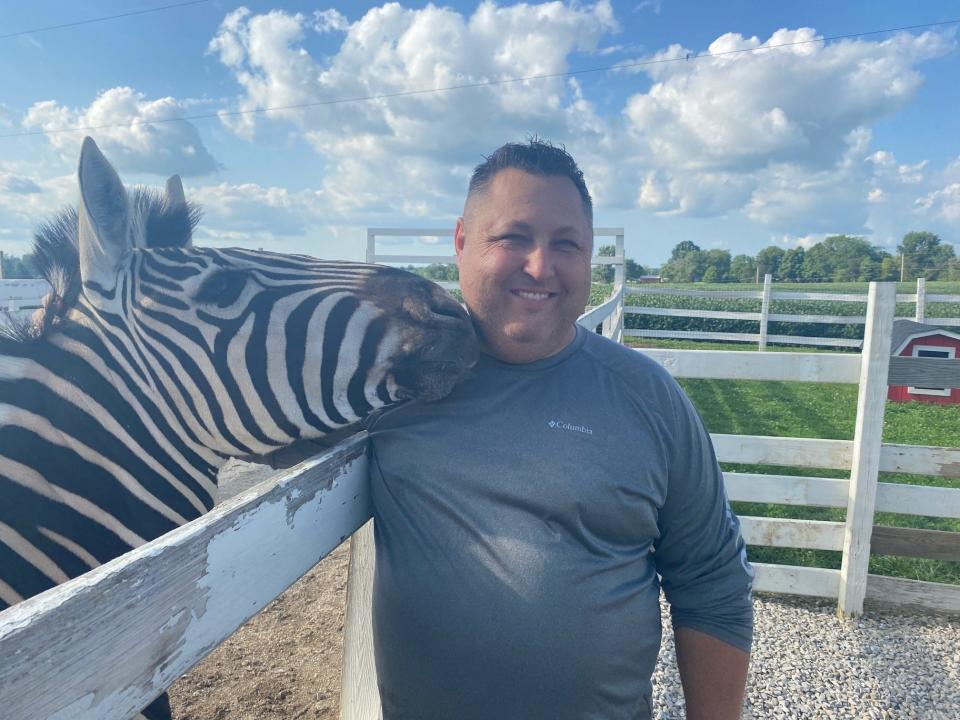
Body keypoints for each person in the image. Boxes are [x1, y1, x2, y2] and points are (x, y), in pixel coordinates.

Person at [365, 139, 753, 720]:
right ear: (462, 242)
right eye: (513, 237)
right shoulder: (390, 384)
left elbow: (711, 578)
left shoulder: (648, 397)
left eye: (566, 244)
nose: (541, 266)